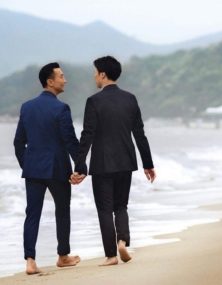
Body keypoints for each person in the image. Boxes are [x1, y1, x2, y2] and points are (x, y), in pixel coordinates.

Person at [73, 56, 156, 266]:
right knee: (121, 206)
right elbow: (139, 134)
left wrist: (80, 165)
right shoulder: (130, 99)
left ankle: (111, 255)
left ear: (102, 74)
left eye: (95, 72)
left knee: (104, 209)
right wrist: (148, 163)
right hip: (125, 161)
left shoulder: (94, 101)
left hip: (102, 164)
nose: (94, 76)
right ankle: (122, 241)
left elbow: (87, 135)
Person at [13, 63, 84, 274]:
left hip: (33, 169)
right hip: (57, 169)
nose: (65, 79)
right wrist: (80, 167)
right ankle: (63, 256)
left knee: (32, 213)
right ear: (50, 81)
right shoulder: (61, 108)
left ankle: (30, 261)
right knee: (62, 211)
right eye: (61, 76)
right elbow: (70, 141)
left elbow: (18, 143)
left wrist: (27, 164)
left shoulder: (27, 107)